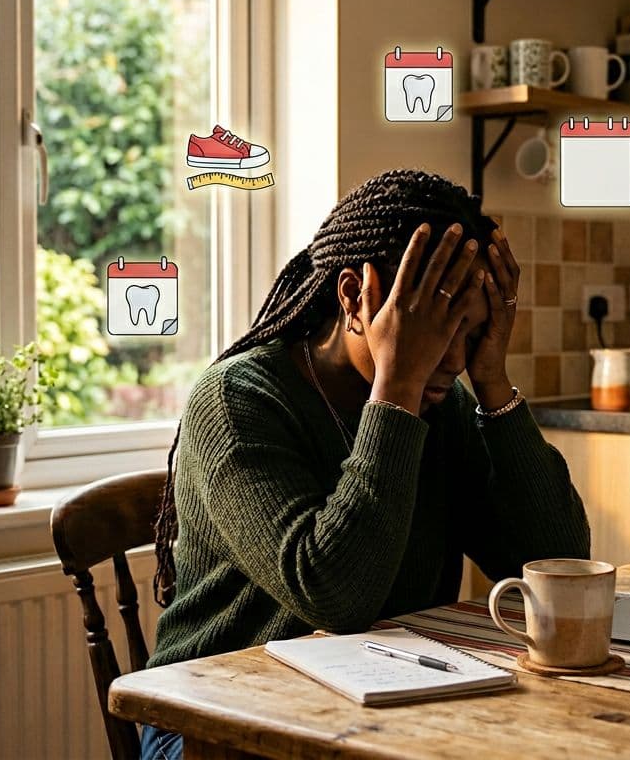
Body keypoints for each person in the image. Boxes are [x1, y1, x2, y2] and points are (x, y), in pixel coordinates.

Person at [140, 169, 589, 760]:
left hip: (376, 706)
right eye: (437, 325)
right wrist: (398, 386)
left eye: (472, 329)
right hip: (212, 722)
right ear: (354, 297)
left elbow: (557, 560)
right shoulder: (236, 401)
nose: (453, 356)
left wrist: (494, 384)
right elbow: (335, 595)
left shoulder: (445, 400)